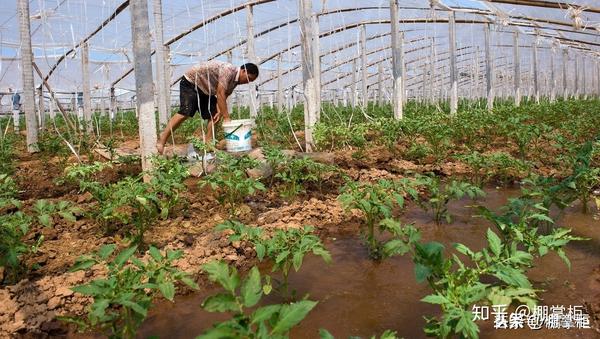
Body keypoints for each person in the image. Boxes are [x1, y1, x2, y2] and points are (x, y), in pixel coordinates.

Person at [156, 60, 259, 155]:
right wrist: (226, 117)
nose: (248, 82)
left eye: (251, 81)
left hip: (205, 89)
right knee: (185, 112)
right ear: (244, 71)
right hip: (191, 82)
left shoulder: (235, 81)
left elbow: (225, 95)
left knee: (214, 114)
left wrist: (219, 111)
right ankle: (162, 140)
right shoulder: (229, 70)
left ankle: (208, 143)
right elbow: (220, 93)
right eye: (249, 78)